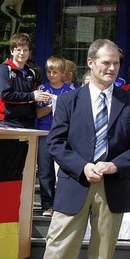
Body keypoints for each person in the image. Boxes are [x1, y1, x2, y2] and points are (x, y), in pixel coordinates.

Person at [26, 39, 130, 259]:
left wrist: (114, 165)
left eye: (116, 62)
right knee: (57, 253)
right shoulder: (70, 100)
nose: (112, 68)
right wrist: (82, 166)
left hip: (113, 187)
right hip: (75, 184)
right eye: (106, 62)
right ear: (91, 63)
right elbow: (56, 143)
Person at [36, 56, 74, 218]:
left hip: (65, 135)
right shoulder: (42, 89)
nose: (51, 75)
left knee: (66, 170)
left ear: (63, 73)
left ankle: (65, 203)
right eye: (49, 72)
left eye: (55, 72)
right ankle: (47, 204)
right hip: (45, 134)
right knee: (45, 171)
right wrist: (52, 105)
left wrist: (61, 105)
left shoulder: (71, 91)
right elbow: (38, 114)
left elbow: (75, 115)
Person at [0, 33, 51, 128]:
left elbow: (33, 97)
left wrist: (42, 97)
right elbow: (5, 95)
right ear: (12, 51)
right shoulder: (4, 69)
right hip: (9, 122)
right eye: (18, 50)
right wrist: (32, 96)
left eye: (25, 50)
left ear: (29, 52)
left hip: (28, 122)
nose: (22, 53)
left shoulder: (32, 72)